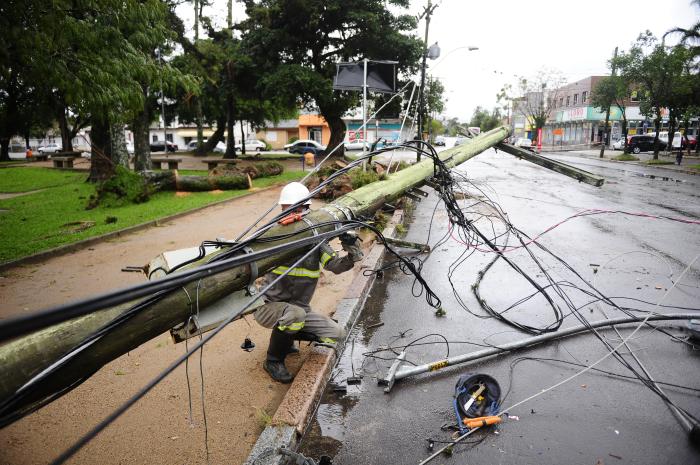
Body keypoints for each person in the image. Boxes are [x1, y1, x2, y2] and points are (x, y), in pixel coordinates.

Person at [254, 182, 363, 383]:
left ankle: (287, 338)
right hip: (268, 306)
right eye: (284, 209)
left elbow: (335, 266)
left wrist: (352, 252)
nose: (285, 214)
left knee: (337, 333)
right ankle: (273, 360)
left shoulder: (316, 242)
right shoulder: (275, 237)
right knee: (295, 315)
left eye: (291, 209)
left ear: (304, 209)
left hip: (299, 309)